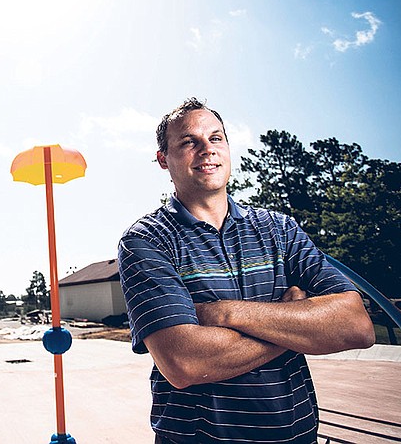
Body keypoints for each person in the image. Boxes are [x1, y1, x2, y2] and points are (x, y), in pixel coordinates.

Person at [118, 98, 375, 443]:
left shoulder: (280, 229)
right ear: (164, 159)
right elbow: (184, 362)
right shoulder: (147, 240)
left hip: (297, 436)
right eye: (189, 141)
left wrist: (224, 314)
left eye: (216, 138)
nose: (206, 149)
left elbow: (355, 325)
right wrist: (294, 321)